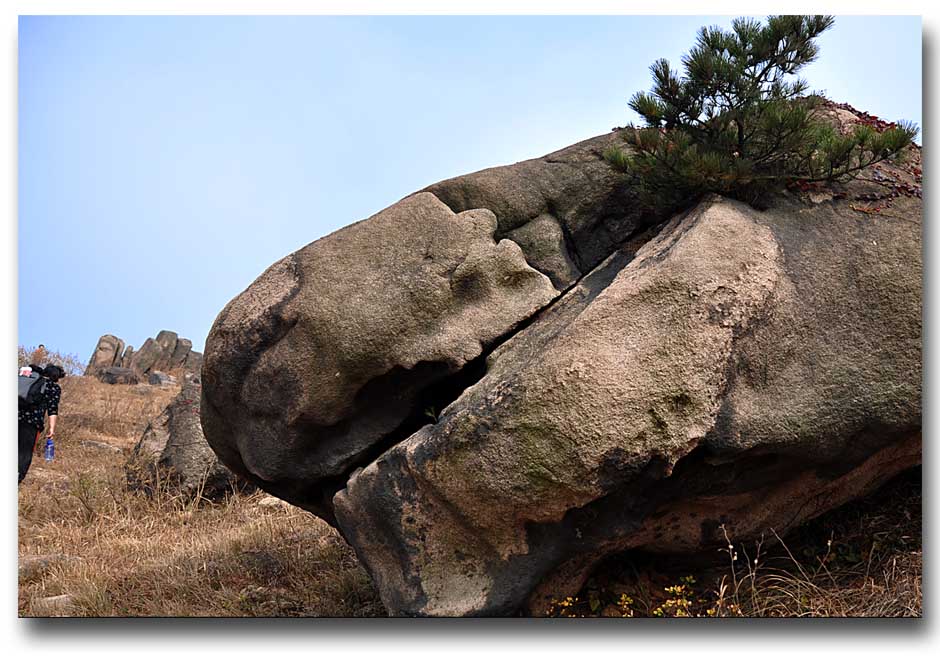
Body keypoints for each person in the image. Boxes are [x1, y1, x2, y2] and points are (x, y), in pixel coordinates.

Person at [18, 364, 64, 483]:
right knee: (24, 453)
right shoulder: (53, 388)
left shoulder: (30, 381)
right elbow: (52, 409)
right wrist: (51, 428)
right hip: (31, 423)